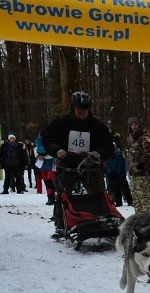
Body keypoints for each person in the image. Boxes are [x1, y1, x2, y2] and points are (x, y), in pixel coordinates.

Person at [41, 90, 113, 238]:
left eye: (85, 110)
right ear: (73, 108)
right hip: (67, 164)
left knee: (97, 193)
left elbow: (108, 144)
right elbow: (47, 138)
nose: (83, 113)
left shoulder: (97, 126)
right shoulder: (61, 123)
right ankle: (61, 225)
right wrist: (57, 149)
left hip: (90, 165)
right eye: (80, 109)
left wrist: (98, 152)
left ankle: (99, 220)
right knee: (64, 194)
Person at [126, 116, 150, 216]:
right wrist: (131, 167)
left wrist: (143, 163)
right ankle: (139, 217)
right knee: (136, 197)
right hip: (135, 171)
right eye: (132, 125)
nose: (134, 127)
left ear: (139, 125)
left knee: (144, 196)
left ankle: (148, 217)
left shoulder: (144, 137)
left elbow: (148, 152)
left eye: (136, 124)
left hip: (143, 171)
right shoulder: (132, 138)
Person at [34, 132, 57, 204]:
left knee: (51, 181)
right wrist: (38, 156)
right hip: (42, 164)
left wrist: (44, 156)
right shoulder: (38, 142)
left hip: (51, 163)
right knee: (46, 181)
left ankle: (53, 197)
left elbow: (54, 152)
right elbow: (35, 150)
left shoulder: (51, 141)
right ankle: (50, 197)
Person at [106, 141, 129, 207]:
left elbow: (121, 164)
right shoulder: (108, 156)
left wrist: (117, 172)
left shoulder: (119, 154)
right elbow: (108, 165)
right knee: (116, 189)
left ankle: (129, 200)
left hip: (120, 174)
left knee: (125, 188)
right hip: (113, 175)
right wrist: (111, 172)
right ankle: (118, 202)